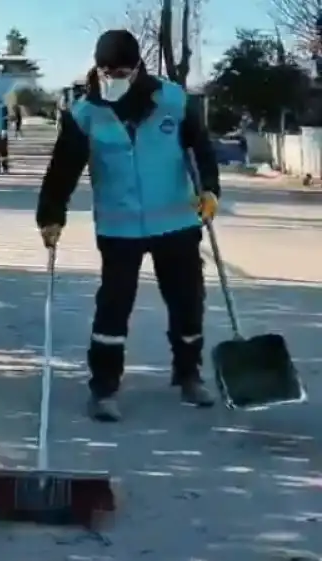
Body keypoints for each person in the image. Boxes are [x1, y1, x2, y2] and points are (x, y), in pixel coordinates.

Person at [35, 29, 219, 422]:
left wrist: (211, 191)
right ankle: (103, 387)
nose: (113, 76)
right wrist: (50, 216)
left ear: (137, 68)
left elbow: (201, 148)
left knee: (188, 303)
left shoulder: (172, 99)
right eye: (106, 69)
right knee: (114, 307)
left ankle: (188, 373)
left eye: (121, 70)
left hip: (176, 222)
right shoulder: (85, 113)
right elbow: (62, 171)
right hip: (119, 228)